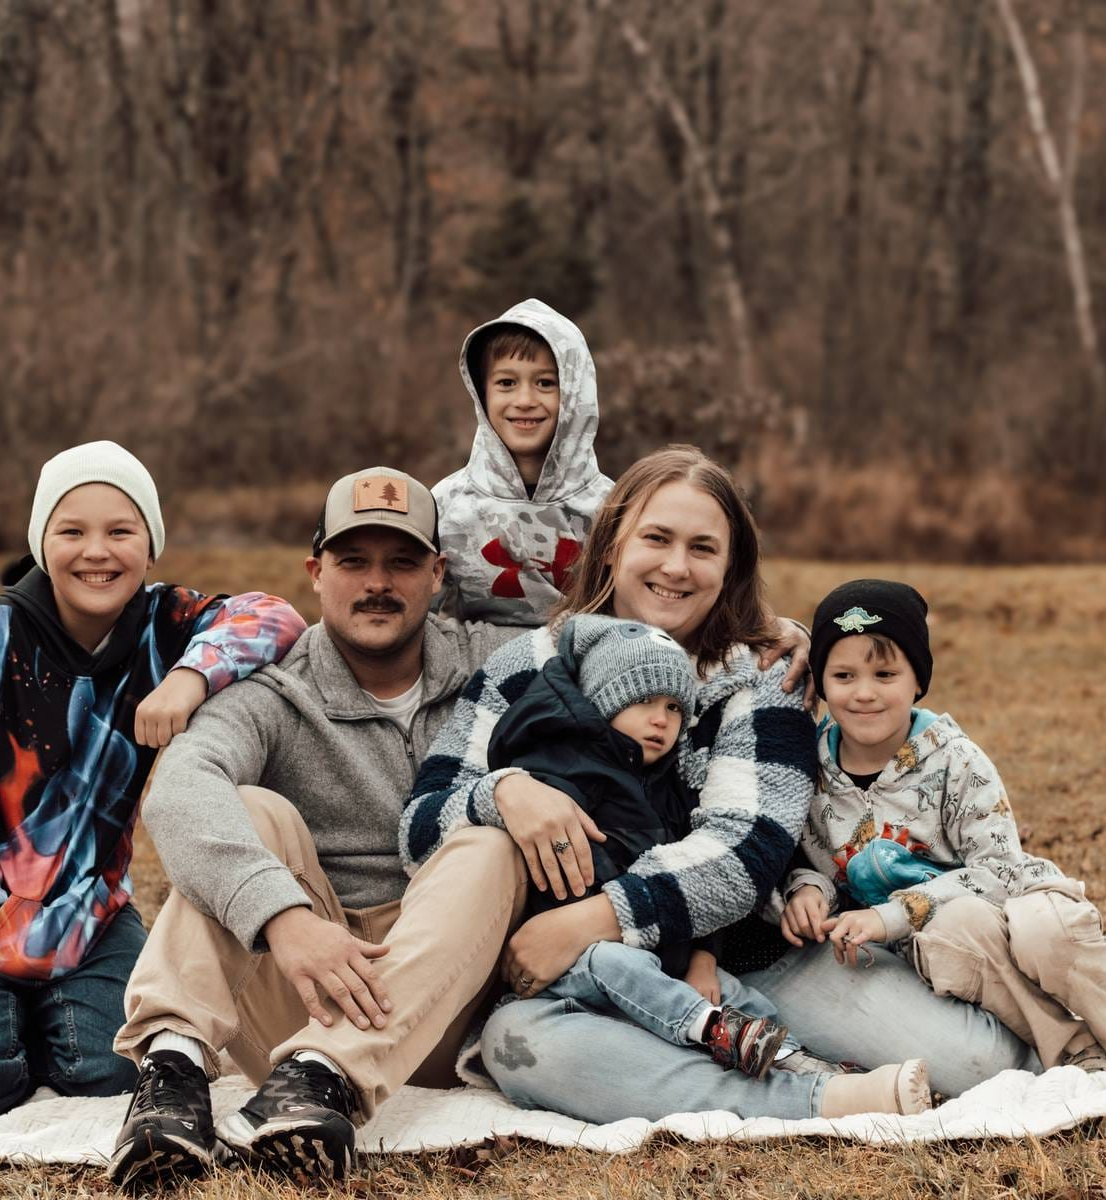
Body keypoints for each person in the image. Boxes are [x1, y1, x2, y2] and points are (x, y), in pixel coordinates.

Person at [404, 446, 941, 1123]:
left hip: (745, 954)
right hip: (581, 977)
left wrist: (596, 918)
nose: (676, 566)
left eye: (703, 548)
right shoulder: (528, 664)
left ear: (730, 569)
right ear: (610, 545)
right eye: (656, 539)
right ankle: (814, 1094)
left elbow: (745, 849)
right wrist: (503, 792)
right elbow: (420, 828)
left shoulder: (763, 675)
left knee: (975, 1065)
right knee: (521, 1045)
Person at [106, 467, 535, 1186]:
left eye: (401, 562)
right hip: (300, 994)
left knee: (489, 841)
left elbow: (623, 649)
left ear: (437, 573)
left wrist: (758, 638)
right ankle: (174, 1075)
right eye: (352, 561)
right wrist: (284, 917)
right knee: (250, 810)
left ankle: (327, 1075)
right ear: (315, 572)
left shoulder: (496, 662)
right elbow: (177, 788)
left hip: (443, 1003)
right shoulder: (275, 686)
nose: (378, 583)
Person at [0, 441, 305, 1126]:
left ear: (150, 546)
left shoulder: (163, 626)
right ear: (42, 542)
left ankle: (32, 1013)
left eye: (120, 531)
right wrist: (1, 932)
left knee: (116, 1075)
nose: (96, 552)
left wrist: (188, 677)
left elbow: (275, 617)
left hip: (91, 915)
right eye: (71, 531)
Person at [481, 612, 929, 1102]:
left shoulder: (671, 788)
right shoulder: (558, 773)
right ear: (605, 702)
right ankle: (760, 1066)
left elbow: (712, 864)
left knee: (731, 995)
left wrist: (701, 957)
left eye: (675, 707)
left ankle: (797, 1061)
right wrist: (501, 788)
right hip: (577, 959)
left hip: (666, 952)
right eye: (643, 701)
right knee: (600, 976)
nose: (660, 719)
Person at [782, 579, 1106, 1086]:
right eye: (843, 675)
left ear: (916, 681)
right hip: (947, 947)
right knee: (957, 927)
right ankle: (1074, 1048)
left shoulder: (955, 760)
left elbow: (999, 869)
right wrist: (807, 890)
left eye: (885, 673)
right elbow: (816, 863)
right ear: (820, 680)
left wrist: (891, 916)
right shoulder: (812, 771)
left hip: (1014, 905)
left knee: (1045, 930)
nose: (864, 692)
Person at [433, 298, 614, 625]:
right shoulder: (446, 506)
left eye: (545, 383)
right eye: (506, 383)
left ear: (574, 394)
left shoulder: (614, 509)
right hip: (479, 669)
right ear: (481, 392)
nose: (525, 400)